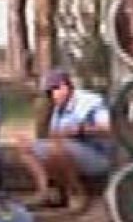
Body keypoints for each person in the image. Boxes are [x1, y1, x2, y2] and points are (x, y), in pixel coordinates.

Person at [30, 68, 111, 210]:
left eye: (54, 90)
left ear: (65, 86)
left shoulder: (90, 101)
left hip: (99, 155)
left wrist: (81, 129)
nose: (52, 95)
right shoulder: (58, 107)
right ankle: (47, 192)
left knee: (57, 146)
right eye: (48, 92)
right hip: (71, 151)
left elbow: (109, 128)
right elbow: (54, 134)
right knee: (26, 146)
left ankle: (76, 193)